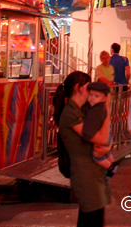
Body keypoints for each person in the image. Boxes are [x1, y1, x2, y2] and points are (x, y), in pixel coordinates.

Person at [53, 72, 111, 227]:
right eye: (88, 87)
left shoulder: (80, 111)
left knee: (89, 221)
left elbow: (102, 142)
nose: (92, 92)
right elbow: (102, 138)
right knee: (92, 221)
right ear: (78, 88)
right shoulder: (71, 114)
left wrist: (106, 148)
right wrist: (106, 108)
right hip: (86, 177)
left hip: (90, 175)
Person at [81, 82, 117, 176]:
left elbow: (89, 131)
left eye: (96, 96)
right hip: (108, 130)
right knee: (106, 150)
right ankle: (113, 163)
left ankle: (109, 167)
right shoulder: (100, 107)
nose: (92, 98)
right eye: (91, 95)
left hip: (103, 132)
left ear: (104, 98)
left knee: (97, 156)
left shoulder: (96, 111)